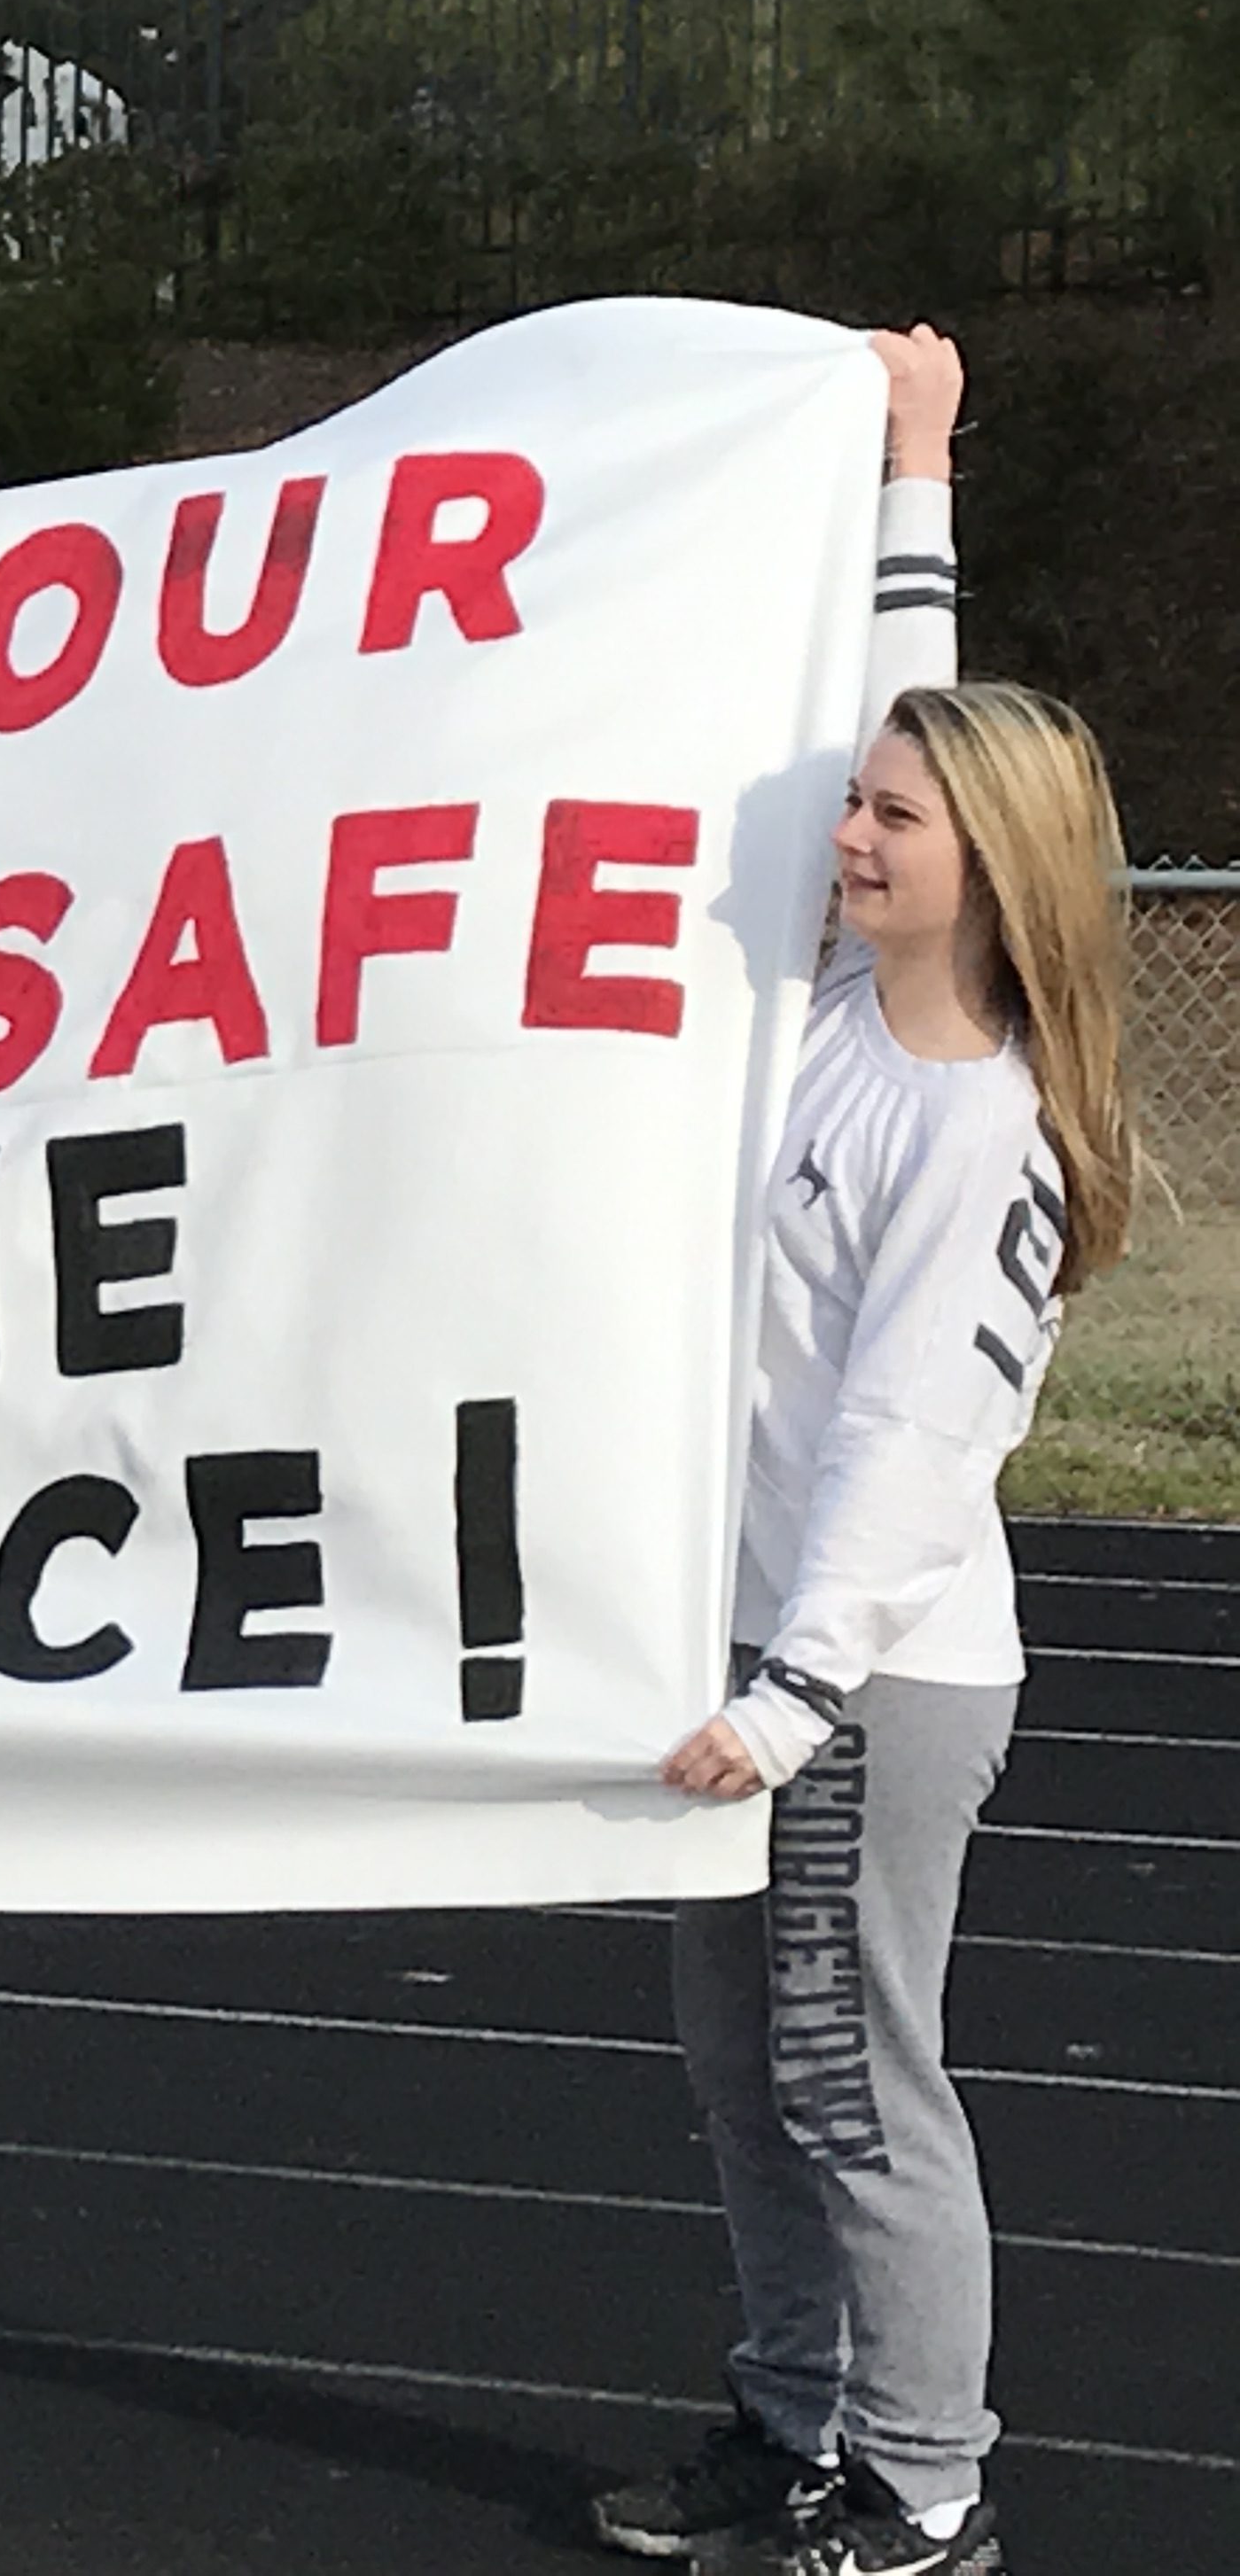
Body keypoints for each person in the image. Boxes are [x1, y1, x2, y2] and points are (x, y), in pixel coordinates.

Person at [594, 333, 1138, 2572]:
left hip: (861, 1680)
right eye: (855, 809)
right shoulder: (821, 1007)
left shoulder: (976, 1124)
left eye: (889, 821)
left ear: (981, 866)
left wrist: (797, 1687)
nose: (845, 829)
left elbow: (917, 1442)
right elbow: (896, 692)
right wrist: (917, 475)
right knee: (753, 2087)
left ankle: (922, 2494)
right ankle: (791, 2418)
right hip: (741, 1648)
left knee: (855, 2085)